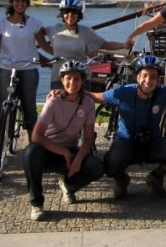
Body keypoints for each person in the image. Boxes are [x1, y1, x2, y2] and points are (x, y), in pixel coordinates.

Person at [87, 54, 166, 199]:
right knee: (112, 162)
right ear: (137, 77)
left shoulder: (163, 92)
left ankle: (156, 176)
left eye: (153, 77)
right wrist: (68, 92)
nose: (148, 81)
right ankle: (121, 179)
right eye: (144, 76)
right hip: (126, 140)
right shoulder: (123, 93)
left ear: (158, 79)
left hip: (152, 141)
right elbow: (96, 97)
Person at [23, 60, 104, 221]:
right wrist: (65, 153)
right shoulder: (53, 101)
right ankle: (36, 202)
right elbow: (36, 136)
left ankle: (68, 185)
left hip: (70, 152)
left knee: (96, 167)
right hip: (48, 152)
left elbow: (88, 138)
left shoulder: (87, 104)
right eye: (68, 79)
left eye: (76, 79)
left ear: (82, 81)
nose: (72, 83)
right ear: (62, 80)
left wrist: (78, 160)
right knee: (31, 152)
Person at [0, 0, 51, 143]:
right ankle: (0, 144)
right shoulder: (3, 23)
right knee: (2, 107)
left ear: (27, 3)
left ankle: (33, 146)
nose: (20, 4)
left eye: (23, 1)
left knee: (29, 109)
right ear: (12, 2)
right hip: (6, 68)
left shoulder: (35, 22)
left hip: (28, 68)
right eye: (17, 1)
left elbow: (44, 45)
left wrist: (60, 54)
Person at [45, 0, 132, 90]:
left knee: (83, 104)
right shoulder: (54, 29)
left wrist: (123, 45)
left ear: (79, 14)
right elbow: (35, 32)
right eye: (66, 11)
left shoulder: (86, 32)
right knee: (57, 103)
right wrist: (47, 49)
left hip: (80, 77)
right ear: (62, 14)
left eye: (74, 12)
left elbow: (104, 44)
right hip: (58, 77)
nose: (70, 15)